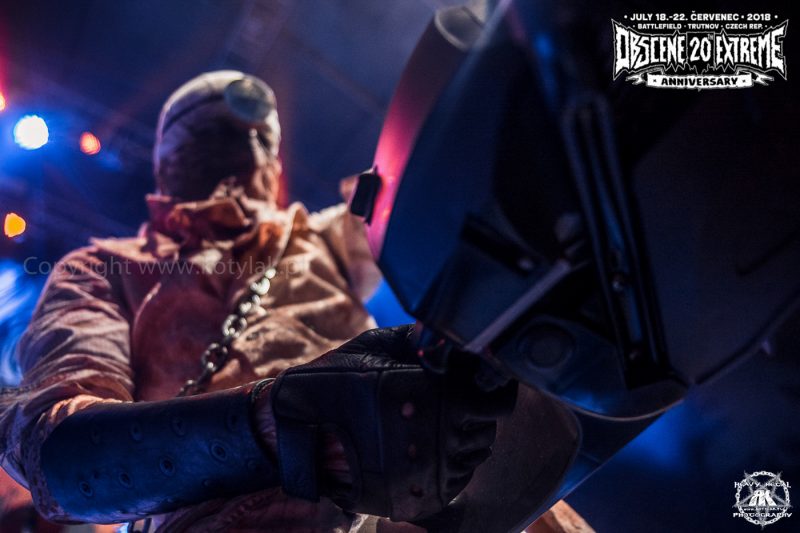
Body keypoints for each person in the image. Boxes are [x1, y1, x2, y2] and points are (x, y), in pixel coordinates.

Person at [0, 71, 590, 532]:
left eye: (262, 140)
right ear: (165, 161)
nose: (251, 152)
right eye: (216, 138)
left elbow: (437, 195)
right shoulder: (104, 268)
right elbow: (56, 454)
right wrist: (274, 425)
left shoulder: (324, 238)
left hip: (418, 503)